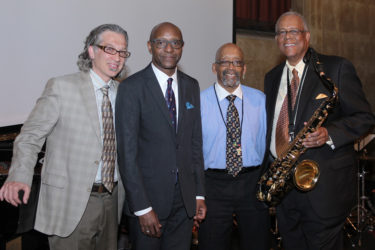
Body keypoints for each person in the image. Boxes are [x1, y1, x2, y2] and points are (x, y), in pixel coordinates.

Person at [0, 24, 129, 250]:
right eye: (109, 49)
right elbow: (29, 136)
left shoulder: (125, 94)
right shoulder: (62, 87)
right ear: (91, 51)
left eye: (122, 52)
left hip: (112, 200)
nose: (117, 57)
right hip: (71, 203)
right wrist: (19, 175)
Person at [263, 11, 375, 249]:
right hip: (286, 189)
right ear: (276, 39)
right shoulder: (271, 77)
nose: (287, 37)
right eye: (281, 32)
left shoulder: (336, 68)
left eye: (293, 31)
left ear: (307, 36)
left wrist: (329, 134)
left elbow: (364, 117)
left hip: (324, 187)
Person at [115, 22, 206, 250]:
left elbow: (195, 145)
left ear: (182, 47)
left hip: (184, 203)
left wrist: (199, 194)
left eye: (175, 43)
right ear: (149, 46)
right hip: (149, 203)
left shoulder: (191, 86)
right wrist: (142, 207)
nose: (169, 49)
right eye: (161, 42)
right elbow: (127, 154)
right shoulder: (131, 88)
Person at [197, 43, 269, 250]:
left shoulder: (260, 100)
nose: (231, 67)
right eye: (225, 62)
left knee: (258, 244)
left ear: (244, 69)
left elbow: (268, 145)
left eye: (237, 62)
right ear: (214, 67)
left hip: (252, 183)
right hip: (213, 185)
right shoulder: (198, 102)